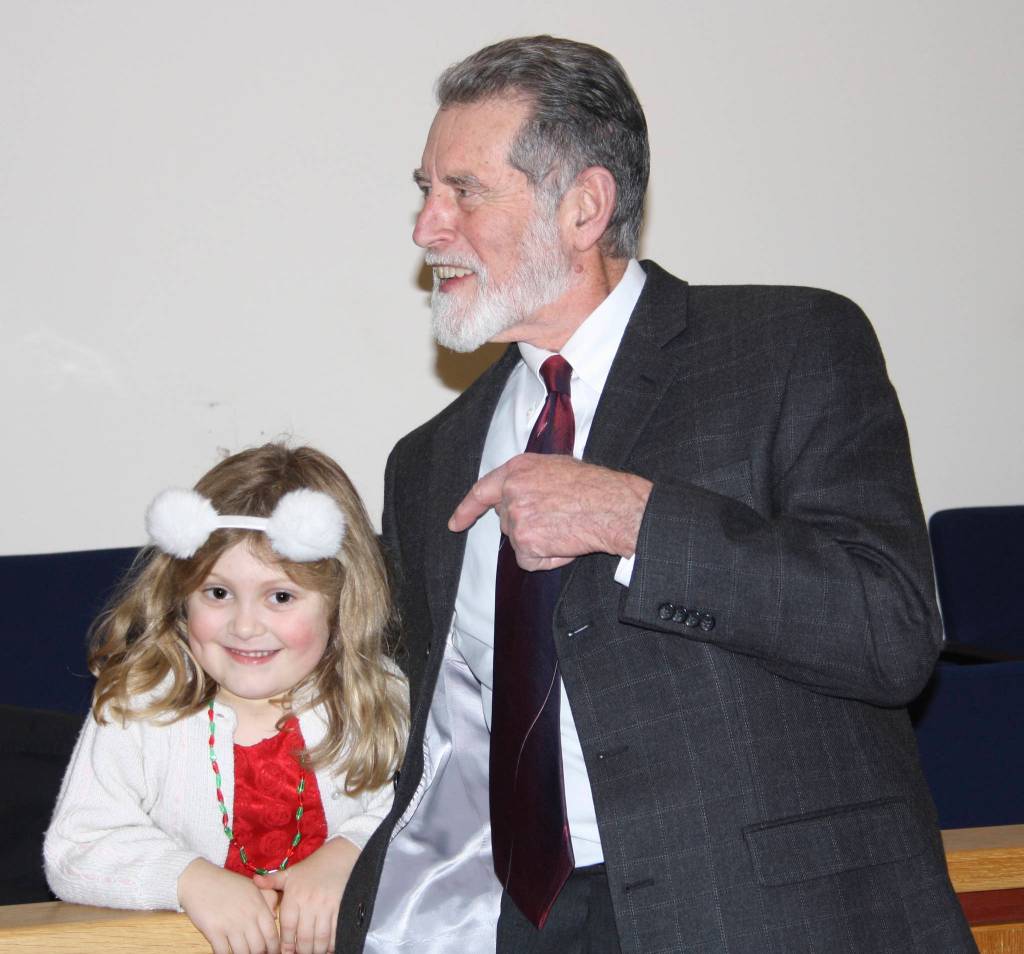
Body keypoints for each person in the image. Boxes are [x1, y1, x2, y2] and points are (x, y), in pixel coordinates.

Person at [336, 35, 977, 954]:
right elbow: (434, 738)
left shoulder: (787, 346)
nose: (426, 227)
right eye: (424, 191)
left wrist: (636, 518)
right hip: (512, 922)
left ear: (584, 206)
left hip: (764, 919)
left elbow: (889, 633)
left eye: (463, 191)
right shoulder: (429, 461)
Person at [45, 444, 408, 954]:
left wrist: (350, 854)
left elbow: (428, 810)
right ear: (180, 593)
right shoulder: (142, 707)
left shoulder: (381, 697)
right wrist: (188, 879)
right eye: (218, 593)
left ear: (343, 602)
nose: (243, 626)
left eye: (280, 596)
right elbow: (76, 848)